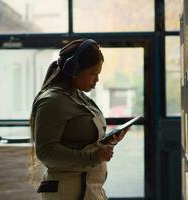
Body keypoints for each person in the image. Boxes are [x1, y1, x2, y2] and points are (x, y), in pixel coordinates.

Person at [28, 38, 127, 200]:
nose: (97, 79)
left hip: (90, 189)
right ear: (73, 69)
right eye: (93, 73)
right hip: (68, 192)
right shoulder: (53, 101)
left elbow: (83, 141)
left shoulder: (80, 97)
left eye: (98, 74)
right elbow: (47, 152)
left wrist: (109, 141)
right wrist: (93, 157)